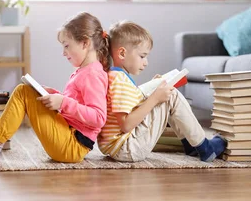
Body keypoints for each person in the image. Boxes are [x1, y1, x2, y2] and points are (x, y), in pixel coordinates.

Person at [0, 12, 111, 163]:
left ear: (85, 43)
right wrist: (55, 95)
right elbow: (78, 104)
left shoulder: (93, 74)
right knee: (27, 91)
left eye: (67, 46)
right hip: (69, 138)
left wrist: (63, 102)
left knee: (23, 92)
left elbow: (98, 118)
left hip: (72, 145)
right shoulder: (85, 71)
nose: (64, 53)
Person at [97, 20, 226, 162]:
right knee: (171, 94)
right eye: (142, 56)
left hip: (120, 146)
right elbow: (126, 125)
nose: (146, 62)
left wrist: (153, 86)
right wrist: (155, 98)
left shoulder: (115, 76)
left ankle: (190, 144)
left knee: (164, 91)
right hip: (128, 148)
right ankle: (204, 147)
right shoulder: (119, 80)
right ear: (122, 53)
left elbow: (132, 102)